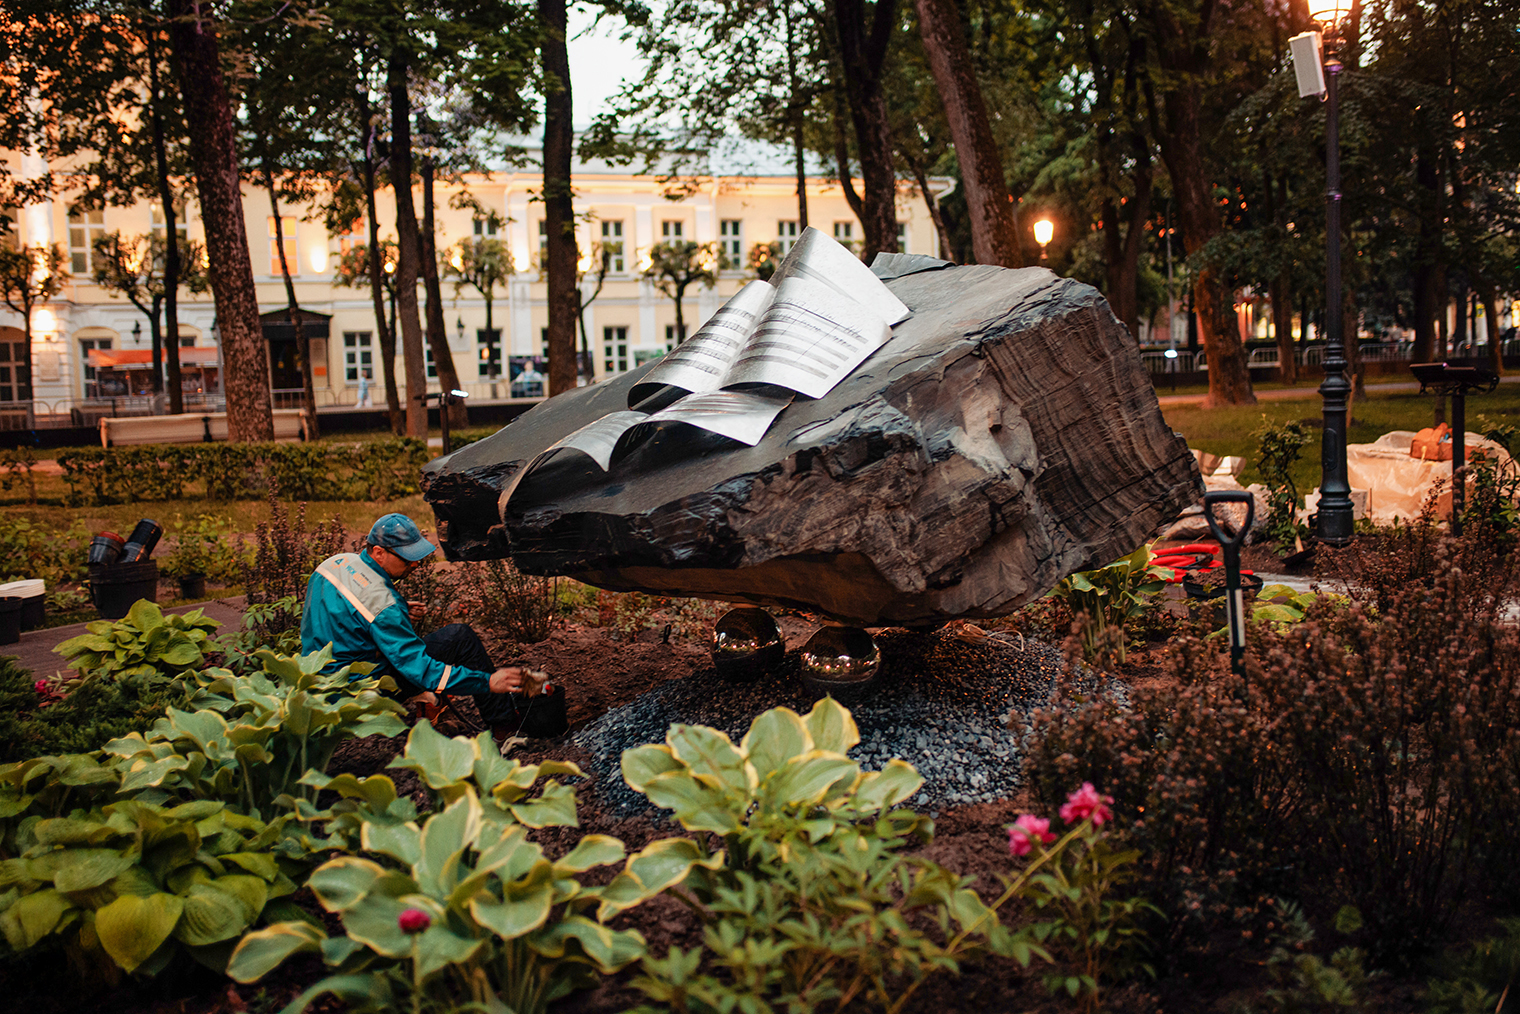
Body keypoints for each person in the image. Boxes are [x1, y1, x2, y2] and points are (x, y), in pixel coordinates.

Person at [301, 512, 528, 748]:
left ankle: (432, 704)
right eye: (407, 558)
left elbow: (341, 614)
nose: (416, 564)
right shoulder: (383, 607)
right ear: (379, 552)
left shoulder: (334, 564)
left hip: (319, 678)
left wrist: (399, 610)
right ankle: (505, 730)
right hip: (359, 691)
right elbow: (420, 670)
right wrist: (488, 681)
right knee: (461, 638)